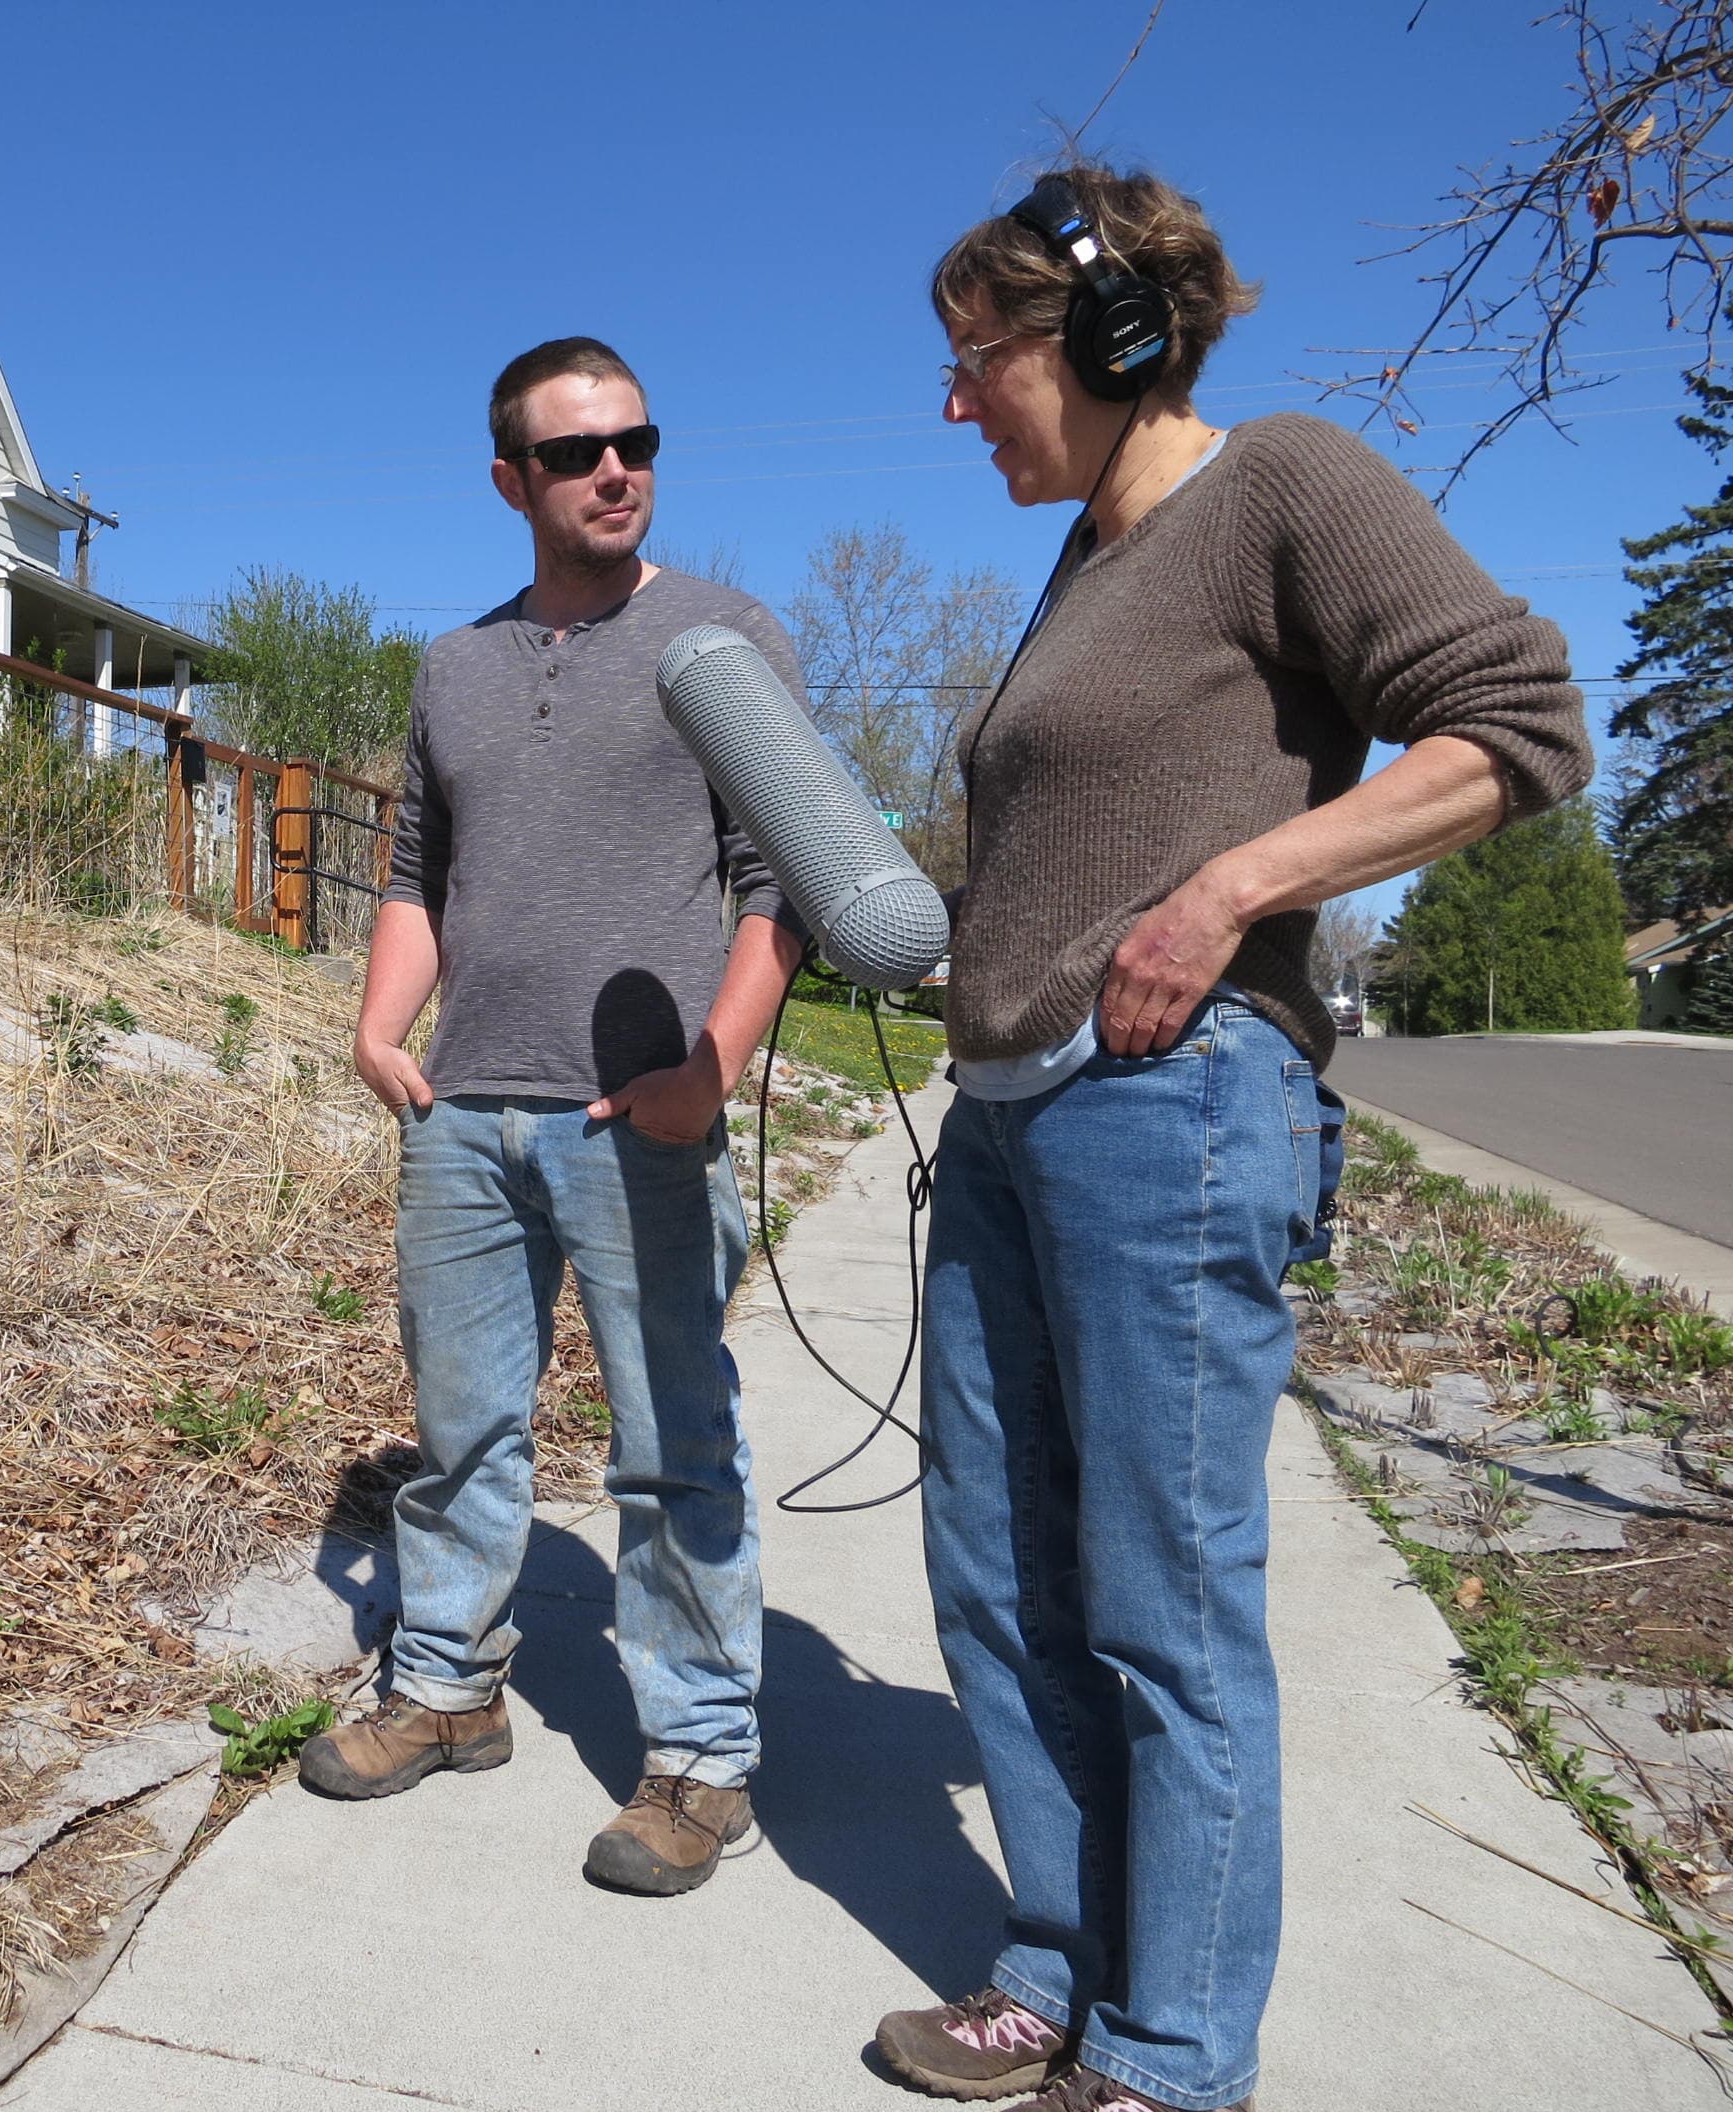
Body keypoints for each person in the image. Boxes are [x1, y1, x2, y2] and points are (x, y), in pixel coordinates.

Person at [869, 166, 1594, 2112]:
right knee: (996, 1581)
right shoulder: (1083, 564)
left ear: (1102, 342)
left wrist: (1230, 892)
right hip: (1015, 1122)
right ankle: (1059, 1967)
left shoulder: (1276, 482)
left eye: (974, 361)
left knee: (1157, 1605)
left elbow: (1518, 721)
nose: (954, 407)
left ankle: (1174, 2053)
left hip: (1173, 1111)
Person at [295, 336, 807, 1897]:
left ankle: (703, 1760)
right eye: (579, 450)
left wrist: (710, 1067)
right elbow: (416, 877)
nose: (617, 469)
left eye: (637, 440)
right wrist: (381, 1026)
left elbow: (783, 879)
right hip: (463, 1115)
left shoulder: (723, 638)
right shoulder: (451, 664)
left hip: (637, 1118)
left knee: (672, 1451)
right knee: (460, 1435)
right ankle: (446, 1689)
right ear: (511, 477)